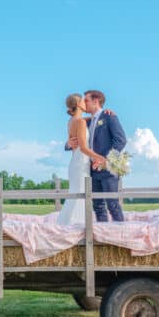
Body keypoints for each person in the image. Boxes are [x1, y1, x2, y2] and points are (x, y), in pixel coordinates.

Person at [66, 90, 127, 222]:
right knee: (98, 206)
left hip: (107, 170)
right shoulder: (86, 122)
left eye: (86, 100)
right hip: (90, 170)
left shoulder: (109, 117)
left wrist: (106, 160)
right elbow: (75, 137)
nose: (84, 103)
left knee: (113, 205)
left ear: (96, 101)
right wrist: (68, 144)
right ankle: (102, 235)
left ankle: (121, 234)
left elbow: (121, 140)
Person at [56, 94, 107, 226]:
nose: (86, 103)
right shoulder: (81, 122)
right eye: (83, 101)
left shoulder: (72, 121)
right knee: (81, 194)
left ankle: (66, 224)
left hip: (75, 163)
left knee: (75, 194)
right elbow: (83, 148)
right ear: (78, 104)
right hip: (81, 164)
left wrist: (105, 113)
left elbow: (93, 119)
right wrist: (100, 158)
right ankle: (77, 226)